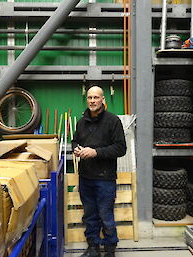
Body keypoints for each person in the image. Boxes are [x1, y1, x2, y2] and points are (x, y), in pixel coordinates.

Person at [72, 85, 127, 257]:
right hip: (85, 177)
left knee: (106, 215)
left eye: (96, 97)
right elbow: (74, 141)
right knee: (90, 216)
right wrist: (76, 149)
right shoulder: (81, 122)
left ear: (103, 100)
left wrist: (96, 152)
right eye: (90, 98)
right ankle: (93, 248)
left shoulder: (113, 121)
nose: (92, 101)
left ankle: (110, 250)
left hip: (105, 179)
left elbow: (120, 148)